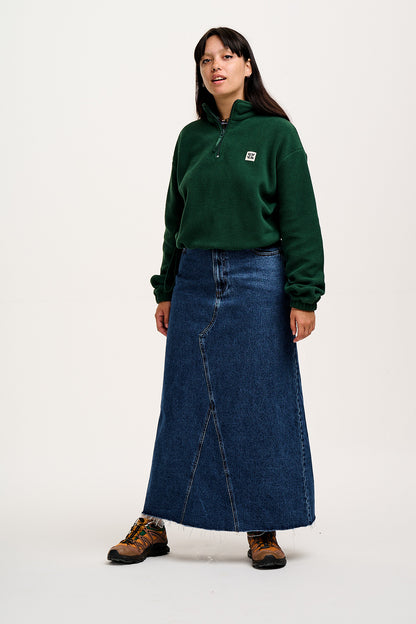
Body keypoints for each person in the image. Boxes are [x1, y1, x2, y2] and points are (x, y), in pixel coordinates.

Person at [107, 26, 325, 570]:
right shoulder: (190, 139)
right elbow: (174, 220)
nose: (216, 66)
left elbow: (301, 219)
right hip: (195, 279)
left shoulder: (277, 134)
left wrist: (304, 295)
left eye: (227, 56)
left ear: (247, 65)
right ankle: (154, 522)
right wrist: (166, 288)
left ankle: (262, 526)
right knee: (182, 401)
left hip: (259, 278)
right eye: (206, 60)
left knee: (260, 401)